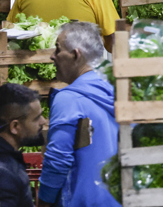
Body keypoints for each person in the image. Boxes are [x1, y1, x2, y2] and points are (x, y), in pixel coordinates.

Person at [39, 21, 119, 207]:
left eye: (58, 50)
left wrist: (44, 202)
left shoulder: (69, 99)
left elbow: (57, 161)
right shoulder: (118, 91)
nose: (52, 56)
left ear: (76, 55)